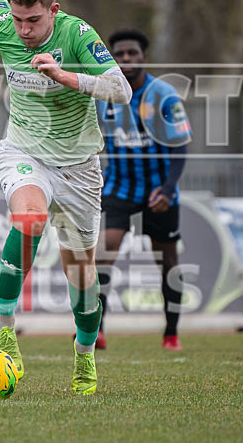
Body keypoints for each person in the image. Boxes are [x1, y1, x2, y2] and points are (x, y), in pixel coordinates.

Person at [0, 0, 131, 395]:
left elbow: (121, 90)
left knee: (81, 273)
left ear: (53, 10)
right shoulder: (4, 21)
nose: (24, 30)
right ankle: (3, 327)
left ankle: (84, 353)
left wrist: (63, 76)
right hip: (25, 152)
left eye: (34, 20)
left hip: (79, 169)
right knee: (30, 219)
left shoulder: (76, 34)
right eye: (18, 19)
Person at [94, 29, 192, 351]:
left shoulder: (163, 94)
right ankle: (96, 330)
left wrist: (168, 189)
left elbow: (180, 145)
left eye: (132, 53)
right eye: (119, 54)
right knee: (102, 255)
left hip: (158, 192)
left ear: (143, 57)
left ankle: (171, 333)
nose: (126, 59)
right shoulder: (103, 96)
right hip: (119, 187)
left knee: (167, 262)